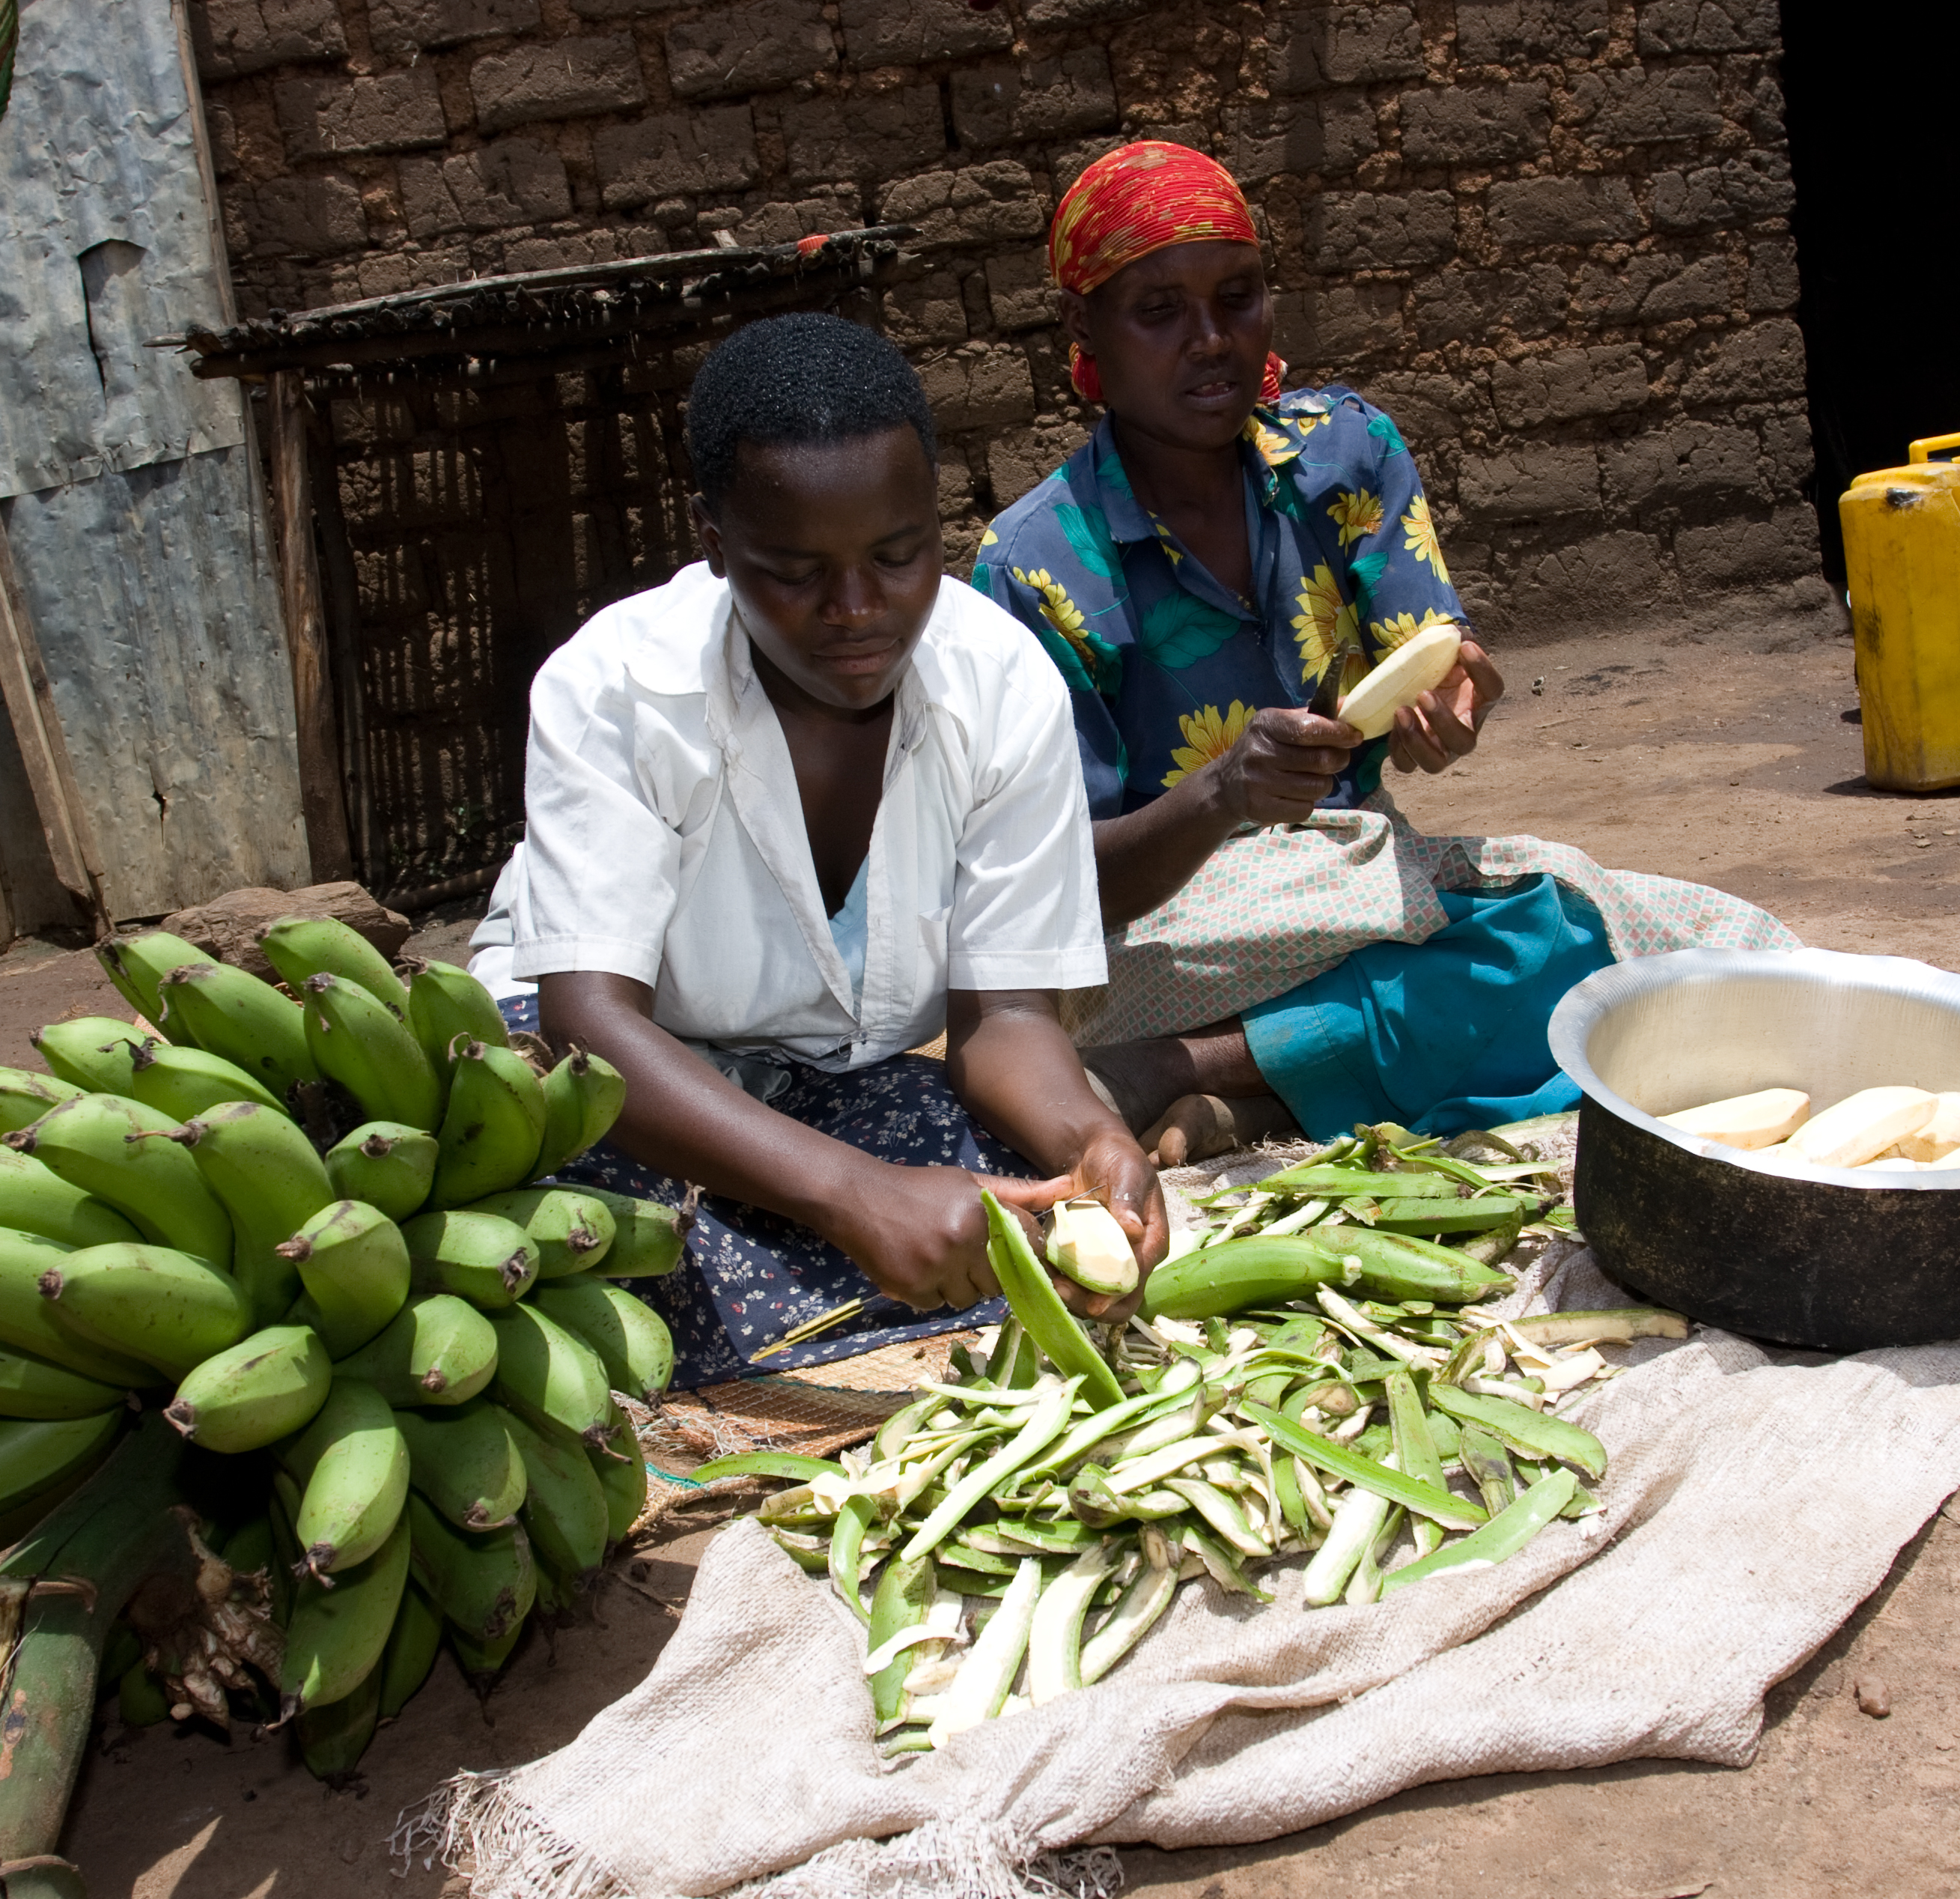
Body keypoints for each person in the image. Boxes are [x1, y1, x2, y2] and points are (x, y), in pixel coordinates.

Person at [466, 313, 1164, 1385]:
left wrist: (1086, 1138)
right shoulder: (614, 688)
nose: (856, 610)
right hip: (617, 1075)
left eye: (898, 555)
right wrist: (850, 1194)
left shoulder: (1000, 682)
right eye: (794, 570)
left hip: (827, 1081)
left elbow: (1006, 1020)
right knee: (584, 1243)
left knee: (1006, 1199)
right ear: (713, 540)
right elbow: (590, 1025)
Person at [972, 141, 1619, 1156]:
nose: (1211, 341)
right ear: (1082, 326)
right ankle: (1285, 1061)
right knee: (1549, 957)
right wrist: (1223, 792)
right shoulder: (1035, 568)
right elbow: (1057, 891)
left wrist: (1459, 695)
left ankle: (1222, 1076)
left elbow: (1441, 655)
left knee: (1602, 936)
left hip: (1349, 895)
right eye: (1159, 312)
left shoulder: (1345, 456)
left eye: (1238, 297)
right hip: (1165, 942)